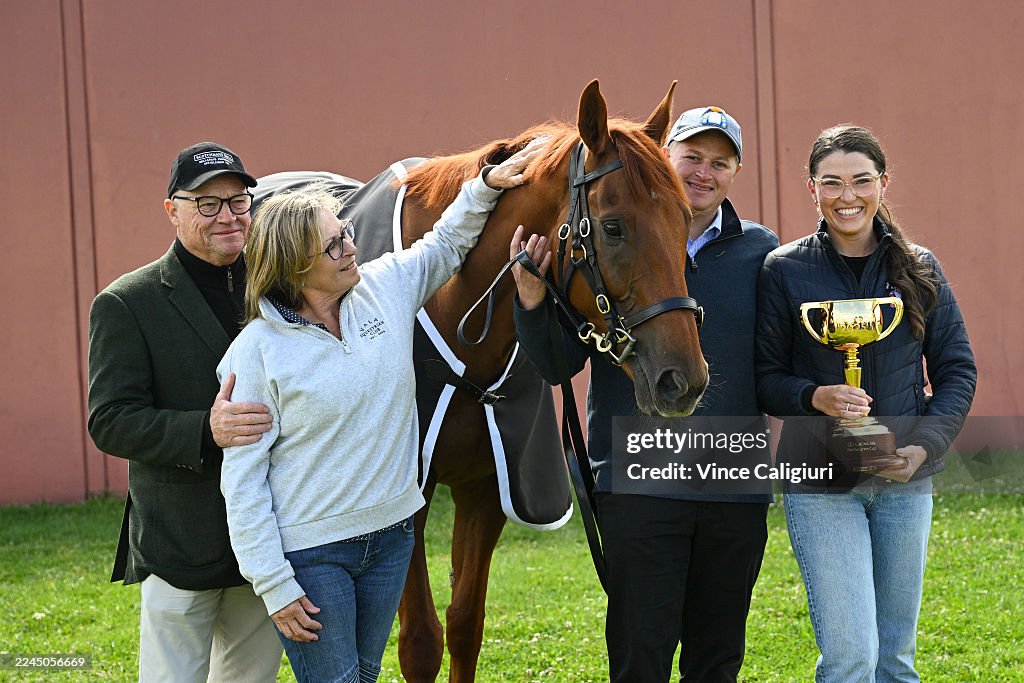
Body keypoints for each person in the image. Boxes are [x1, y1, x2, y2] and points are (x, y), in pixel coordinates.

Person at [214, 140, 544, 683]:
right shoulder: (256, 351)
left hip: (392, 540)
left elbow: (445, 243)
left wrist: (484, 186)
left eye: (345, 233)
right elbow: (243, 482)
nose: (351, 247)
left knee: (364, 676)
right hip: (315, 557)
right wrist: (274, 585)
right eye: (334, 244)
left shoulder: (383, 288)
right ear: (296, 266)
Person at [511, 107, 778, 682]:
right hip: (639, 478)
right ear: (664, 156)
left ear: (735, 172)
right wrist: (533, 302)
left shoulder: (761, 252)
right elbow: (560, 364)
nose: (704, 172)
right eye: (692, 157)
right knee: (640, 653)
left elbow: (777, 366)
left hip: (733, 482)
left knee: (718, 656)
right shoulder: (613, 233)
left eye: (720, 162)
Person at [755, 125, 976, 681]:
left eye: (860, 181)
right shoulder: (783, 270)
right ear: (812, 189)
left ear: (883, 183)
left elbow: (957, 370)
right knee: (851, 655)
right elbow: (764, 378)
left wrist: (924, 449)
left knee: (895, 659)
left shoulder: (920, 268)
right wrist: (815, 396)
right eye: (832, 183)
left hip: (904, 483)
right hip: (820, 484)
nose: (846, 196)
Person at [87, 142, 283, 681]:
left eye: (239, 202)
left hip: (267, 539)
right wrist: (205, 429)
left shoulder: (279, 288)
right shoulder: (127, 302)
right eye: (206, 203)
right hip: (180, 540)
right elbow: (110, 420)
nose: (227, 216)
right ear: (171, 210)